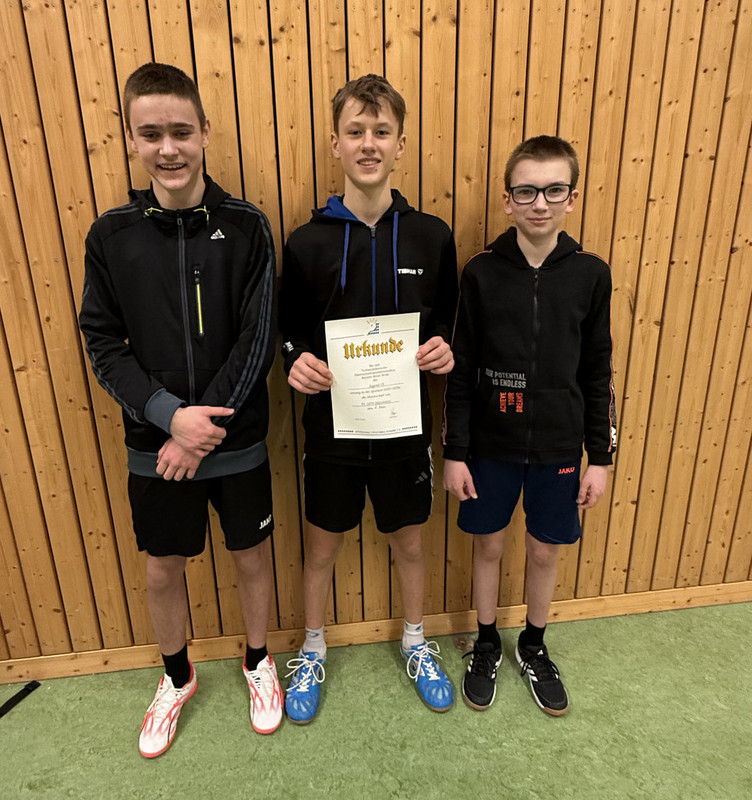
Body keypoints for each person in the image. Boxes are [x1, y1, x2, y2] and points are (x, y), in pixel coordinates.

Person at [79, 62, 282, 757]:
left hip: (235, 440)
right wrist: (170, 417)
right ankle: (176, 677)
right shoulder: (111, 236)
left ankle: (258, 661)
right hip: (156, 444)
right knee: (163, 568)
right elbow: (102, 341)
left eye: (181, 131)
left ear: (204, 132)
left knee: (251, 556)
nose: (168, 148)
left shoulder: (248, 226)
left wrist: (200, 429)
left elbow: (258, 337)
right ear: (130, 139)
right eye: (151, 133)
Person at [279, 74, 458, 722]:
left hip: (405, 430)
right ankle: (313, 647)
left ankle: (415, 639)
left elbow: (450, 323)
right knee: (321, 549)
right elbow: (288, 330)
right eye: (355, 131)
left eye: (382, 131)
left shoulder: (432, 236)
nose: (368, 143)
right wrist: (295, 360)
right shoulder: (306, 241)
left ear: (401, 144)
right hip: (333, 430)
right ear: (335, 143)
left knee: (409, 544)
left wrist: (444, 349)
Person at [443, 135, 617, 715]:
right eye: (526, 191)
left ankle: (534, 646)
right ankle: (486, 642)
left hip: (560, 449)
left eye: (553, 190)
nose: (539, 203)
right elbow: (461, 369)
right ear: (507, 199)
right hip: (489, 447)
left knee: (545, 553)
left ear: (572, 197)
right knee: (488, 546)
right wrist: (455, 452)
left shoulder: (591, 274)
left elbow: (598, 371)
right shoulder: (481, 272)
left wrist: (601, 459)